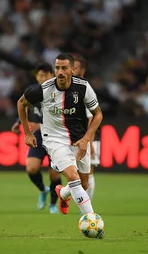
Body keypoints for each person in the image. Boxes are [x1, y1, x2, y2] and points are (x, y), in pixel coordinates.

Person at [17, 53, 103, 215]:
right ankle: (92, 220)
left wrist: (86, 139)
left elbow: (98, 114)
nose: (60, 72)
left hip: (78, 140)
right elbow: (21, 103)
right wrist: (27, 133)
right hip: (54, 140)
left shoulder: (83, 87)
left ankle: (63, 193)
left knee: (84, 185)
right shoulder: (44, 89)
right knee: (73, 177)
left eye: (64, 68)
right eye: (57, 68)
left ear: (72, 69)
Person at [11, 63, 62, 214]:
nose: (43, 78)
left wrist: (40, 125)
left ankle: (53, 204)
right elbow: (24, 107)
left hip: (55, 137)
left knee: (54, 174)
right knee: (32, 169)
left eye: (46, 75)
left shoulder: (58, 92)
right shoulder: (33, 92)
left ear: (52, 76)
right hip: (39, 138)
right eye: (40, 75)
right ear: (36, 77)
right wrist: (19, 122)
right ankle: (42, 190)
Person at [71, 54, 99, 204]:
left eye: (74, 68)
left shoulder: (84, 88)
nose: (71, 70)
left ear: (82, 71)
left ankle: (88, 205)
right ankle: (84, 204)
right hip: (76, 137)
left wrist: (89, 142)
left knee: (88, 173)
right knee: (77, 174)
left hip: (88, 136)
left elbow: (91, 118)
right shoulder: (70, 87)